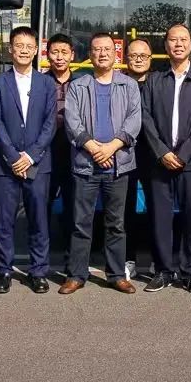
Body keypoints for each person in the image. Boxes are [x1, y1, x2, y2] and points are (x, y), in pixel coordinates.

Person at [59, 33, 143, 294]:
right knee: (80, 223)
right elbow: (72, 122)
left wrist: (111, 147)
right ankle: (76, 275)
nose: (102, 53)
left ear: (115, 54)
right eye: (97, 49)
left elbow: (134, 121)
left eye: (107, 49)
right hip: (86, 164)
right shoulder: (78, 86)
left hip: (119, 165)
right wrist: (94, 148)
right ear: (90, 54)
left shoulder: (129, 85)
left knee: (116, 223)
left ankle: (116, 274)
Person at [141, 23, 191, 295]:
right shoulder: (154, 80)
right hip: (159, 162)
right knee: (159, 218)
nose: (178, 44)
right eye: (173, 40)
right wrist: (162, 151)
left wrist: (184, 154)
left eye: (183, 39)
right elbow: (145, 117)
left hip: (190, 163)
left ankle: (190, 272)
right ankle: (162, 270)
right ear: (166, 45)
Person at [0, 26, 57, 294]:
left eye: (29, 46)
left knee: (39, 220)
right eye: (19, 46)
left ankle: (38, 271)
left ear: (36, 50)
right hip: (6, 165)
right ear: (10, 49)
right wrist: (13, 156)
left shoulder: (46, 83)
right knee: (4, 222)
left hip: (38, 164)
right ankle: (4, 271)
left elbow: (50, 124)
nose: (24, 51)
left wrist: (31, 155)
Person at [123, 36, 154, 279]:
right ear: (126, 59)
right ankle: (128, 258)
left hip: (153, 154)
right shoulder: (119, 84)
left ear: (151, 58)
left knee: (157, 208)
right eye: (133, 55)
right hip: (124, 153)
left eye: (143, 56)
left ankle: (157, 260)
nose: (139, 60)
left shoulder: (158, 84)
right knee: (125, 209)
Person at [45, 33, 76, 272]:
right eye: (55, 52)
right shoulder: (39, 82)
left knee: (73, 209)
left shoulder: (82, 83)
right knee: (42, 207)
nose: (59, 57)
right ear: (47, 55)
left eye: (64, 52)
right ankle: (40, 262)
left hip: (74, 154)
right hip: (45, 153)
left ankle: (71, 261)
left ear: (72, 55)